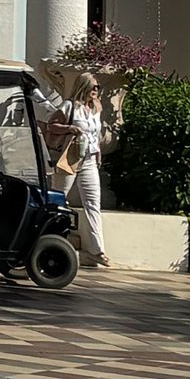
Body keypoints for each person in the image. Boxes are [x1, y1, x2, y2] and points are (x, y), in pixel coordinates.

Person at [45, 73, 120, 268]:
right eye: (94, 86)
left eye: (98, 87)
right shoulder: (70, 106)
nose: (96, 90)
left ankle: (97, 250)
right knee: (58, 199)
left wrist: (98, 154)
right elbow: (52, 125)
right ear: (84, 86)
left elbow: (95, 135)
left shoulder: (96, 108)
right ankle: (48, 240)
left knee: (93, 202)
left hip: (89, 159)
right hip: (71, 157)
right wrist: (70, 128)